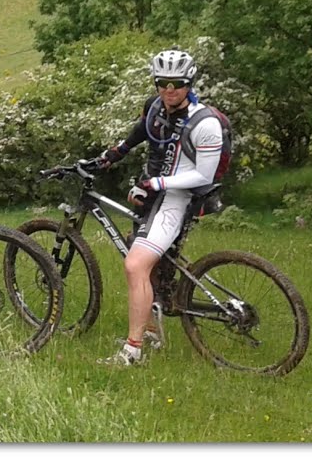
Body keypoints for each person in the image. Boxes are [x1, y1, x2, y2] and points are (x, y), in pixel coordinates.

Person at [90, 47, 229, 367]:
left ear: (189, 82)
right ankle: (152, 328)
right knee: (139, 252)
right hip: (157, 193)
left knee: (135, 265)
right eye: (162, 83)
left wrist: (157, 185)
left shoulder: (204, 123)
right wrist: (109, 158)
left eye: (177, 83)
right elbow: (138, 136)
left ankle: (133, 351)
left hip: (179, 199)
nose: (169, 89)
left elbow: (203, 175)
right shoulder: (155, 107)